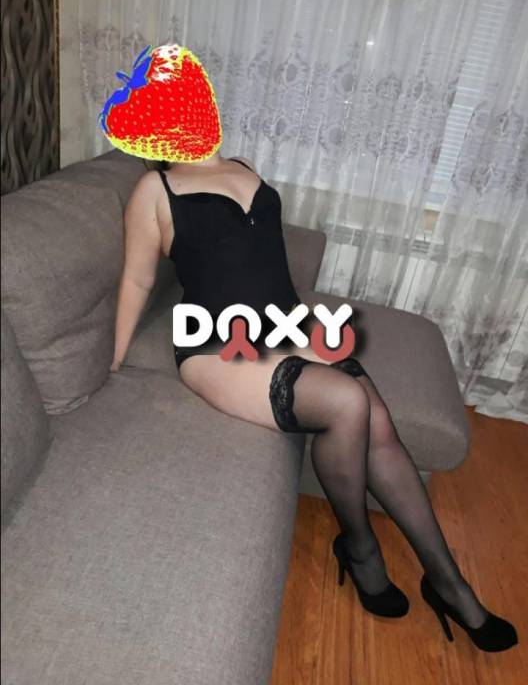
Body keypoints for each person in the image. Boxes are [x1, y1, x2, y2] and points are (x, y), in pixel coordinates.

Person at [104, 42, 517, 653]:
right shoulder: (154, 191)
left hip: (283, 323)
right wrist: (114, 360)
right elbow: (138, 280)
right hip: (216, 344)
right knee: (347, 403)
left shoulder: (242, 165)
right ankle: (360, 549)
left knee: (378, 420)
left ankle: (448, 582)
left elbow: (262, 259)